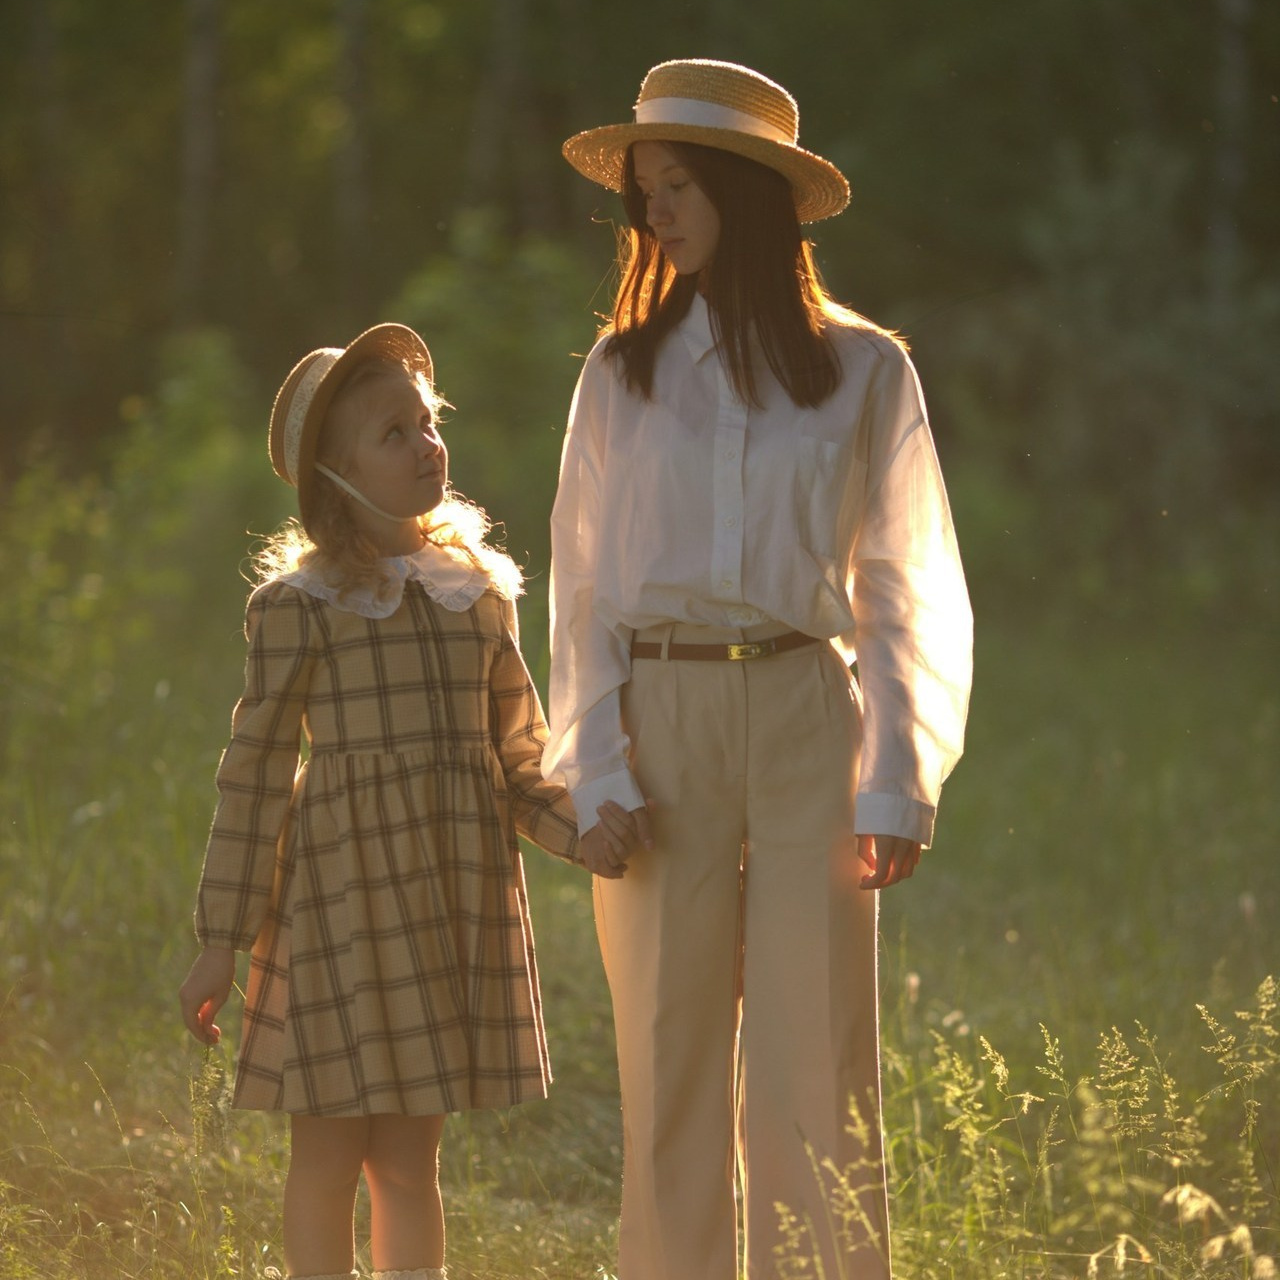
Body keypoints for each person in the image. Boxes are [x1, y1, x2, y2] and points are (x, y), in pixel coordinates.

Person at [546, 59, 974, 1280]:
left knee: (816, 1068)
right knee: (668, 1056)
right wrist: (595, 765)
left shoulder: (865, 370)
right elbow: (581, 591)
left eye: (676, 185)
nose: (654, 214)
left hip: (805, 719)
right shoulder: (618, 375)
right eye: (643, 193)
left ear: (747, 191)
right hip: (659, 724)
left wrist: (895, 777)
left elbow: (902, 585)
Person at [178, 323, 593, 1280]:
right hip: (337, 908)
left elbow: (521, 760)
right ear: (334, 475)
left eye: (427, 423)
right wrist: (220, 938)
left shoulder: (477, 594)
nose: (426, 446)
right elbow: (253, 772)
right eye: (393, 435)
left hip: (447, 904)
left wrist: (591, 834)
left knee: (408, 1159)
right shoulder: (302, 606)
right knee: (327, 1152)